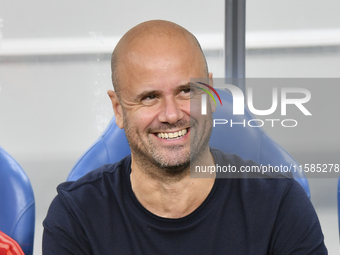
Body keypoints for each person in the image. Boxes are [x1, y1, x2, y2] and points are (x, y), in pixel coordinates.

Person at [43, 20, 327, 254]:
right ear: (118, 109)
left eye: (186, 91)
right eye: (150, 97)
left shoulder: (280, 205)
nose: (171, 114)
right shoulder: (76, 216)